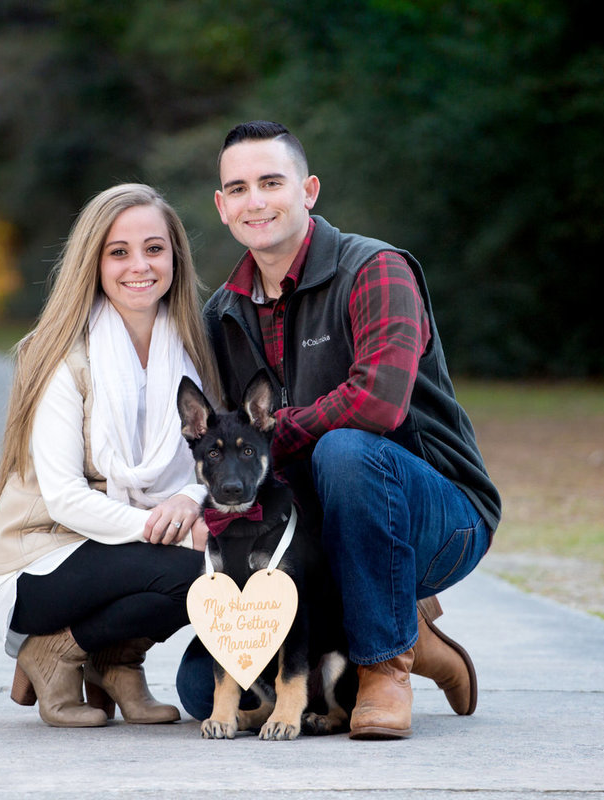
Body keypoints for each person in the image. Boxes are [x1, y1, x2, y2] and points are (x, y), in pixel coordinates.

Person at [177, 121, 501, 740]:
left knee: (346, 449)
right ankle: (408, 629)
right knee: (202, 688)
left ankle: (386, 664)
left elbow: (378, 404)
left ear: (309, 190)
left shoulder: (376, 269)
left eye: (272, 182)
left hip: (436, 513)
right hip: (310, 536)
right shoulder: (222, 314)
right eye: (238, 188)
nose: (256, 201)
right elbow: (220, 440)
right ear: (221, 207)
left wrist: (274, 432)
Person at [0, 183, 220, 728]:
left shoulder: (194, 351)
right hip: (41, 562)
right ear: (94, 262)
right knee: (203, 570)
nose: (139, 265)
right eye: (119, 252)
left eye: (154, 249)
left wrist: (188, 497)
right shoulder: (61, 357)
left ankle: (115, 661)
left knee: (218, 572)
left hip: (124, 551)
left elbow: (206, 458)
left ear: (175, 257)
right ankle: (51, 651)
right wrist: (174, 529)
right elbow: (66, 499)